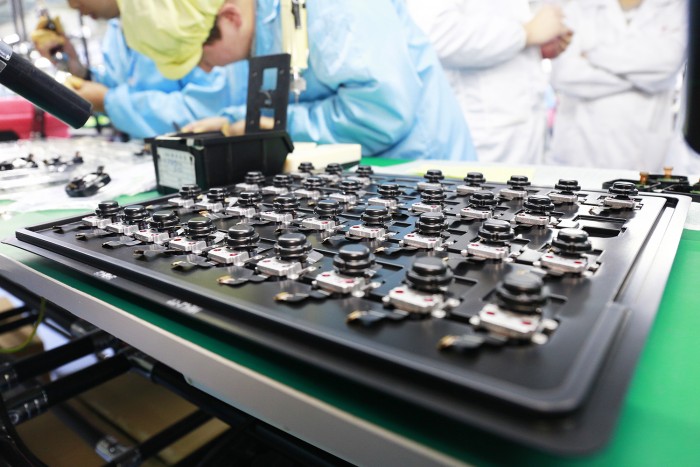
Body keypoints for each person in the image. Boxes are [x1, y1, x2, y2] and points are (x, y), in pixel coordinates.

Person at [116, 0, 477, 161]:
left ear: (230, 17)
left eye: (202, 57)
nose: (207, 70)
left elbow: (379, 116)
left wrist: (260, 128)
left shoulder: (335, 9)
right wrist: (231, 123)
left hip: (419, 176)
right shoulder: (262, 23)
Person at [32, 0, 248, 139]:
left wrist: (108, 101)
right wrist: (79, 70)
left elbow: (204, 113)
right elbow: (123, 85)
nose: (72, 4)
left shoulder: (176, 18)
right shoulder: (117, 30)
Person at [406, 0, 572, 164]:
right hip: (483, 136)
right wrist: (525, 33)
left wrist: (535, 48)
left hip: (522, 129)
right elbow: (436, 34)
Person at [547, 0, 687, 171]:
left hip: (645, 152)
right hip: (580, 151)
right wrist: (645, 76)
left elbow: (668, 64)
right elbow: (564, 74)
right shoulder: (578, 7)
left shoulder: (676, 8)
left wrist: (591, 55)